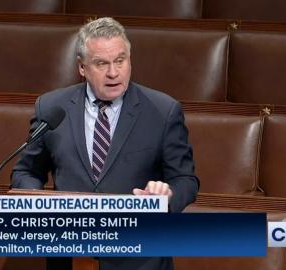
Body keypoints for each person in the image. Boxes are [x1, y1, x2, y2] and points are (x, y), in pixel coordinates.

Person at [11, 17, 199, 270]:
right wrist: (36, 201)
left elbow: (186, 180)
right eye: (101, 63)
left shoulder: (163, 111)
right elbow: (26, 171)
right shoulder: (52, 107)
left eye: (120, 60)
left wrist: (166, 196)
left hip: (140, 258)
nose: (113, 72)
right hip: (70, 256)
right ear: (82, 67)